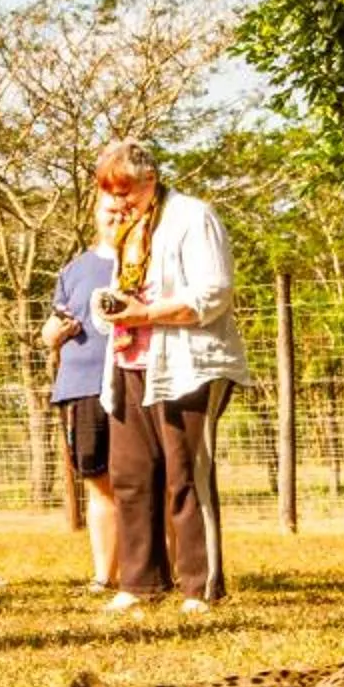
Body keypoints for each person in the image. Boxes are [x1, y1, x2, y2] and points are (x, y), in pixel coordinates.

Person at [92, 140, 251, 616]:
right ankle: (140, 583)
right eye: (109, 193)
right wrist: (115, 308)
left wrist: (147, 313)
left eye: (125, 192)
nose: (117, 202)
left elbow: (214, 292)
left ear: (150, 181)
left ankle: (200, 586)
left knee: (187, 475)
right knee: (131, 474)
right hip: (129, 364)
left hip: (189, 366)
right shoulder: (127, 229)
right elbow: (125, 293)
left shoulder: (192, 217)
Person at [41, 194, 121, 593]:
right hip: (83, 386)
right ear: (96, 214)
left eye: (126, 210)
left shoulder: (152, 263)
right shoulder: (75, 269)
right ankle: (105, 575)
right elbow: (49, 331)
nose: (118, 217)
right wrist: (54, 334)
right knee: (98, 480)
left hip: (135, 384)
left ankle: (156, 571)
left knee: (146, 481)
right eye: (110, 210)